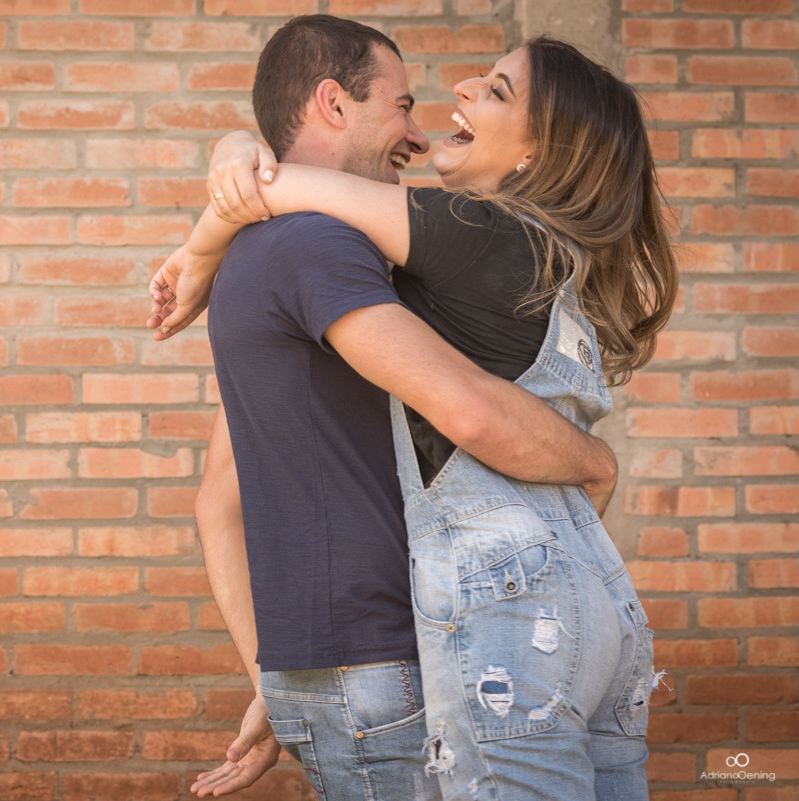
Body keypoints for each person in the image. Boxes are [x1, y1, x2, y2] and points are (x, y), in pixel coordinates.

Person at [149, 16, 675, 801]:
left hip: (463, 631)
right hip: (508, 622)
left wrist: (209, 228)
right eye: (402, 106)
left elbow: (216, 495)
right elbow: (475, 413)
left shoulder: (431, 239)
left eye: (494, 89)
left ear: (536, 152)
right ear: (333, 104)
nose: (422, 126)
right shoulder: (345, 249)